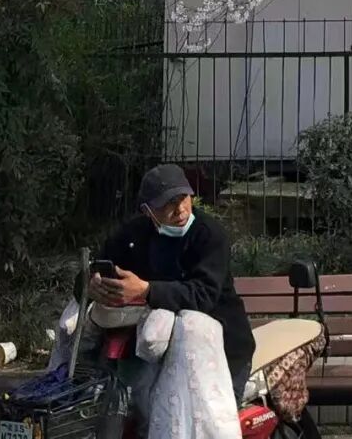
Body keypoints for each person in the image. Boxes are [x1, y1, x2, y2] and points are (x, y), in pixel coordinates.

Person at [90, 163, 255, 403]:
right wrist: (92, 284)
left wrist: (146, 290)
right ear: (147, 210)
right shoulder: (133, 234)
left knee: (214, 414)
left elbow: (203, 295)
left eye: (183, 199)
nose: (180, 210)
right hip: (156, 352)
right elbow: (100, 264)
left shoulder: (209, 234)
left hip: (222, 349)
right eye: (168, 204)